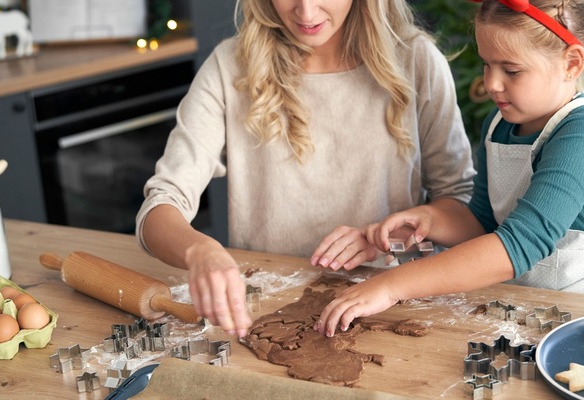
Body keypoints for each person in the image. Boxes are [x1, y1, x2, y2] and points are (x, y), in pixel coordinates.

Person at [315, 0, 584, 337]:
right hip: (554, 302)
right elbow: (481, 220)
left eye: (511, 70)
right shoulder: (502, 124)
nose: (492, 83)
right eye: (486, 64)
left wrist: (391, 285)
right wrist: (426, 218)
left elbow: (519, 245)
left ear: (571, 63)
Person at [135, 0, 476, 337]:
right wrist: (200, 251)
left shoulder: (416, 60)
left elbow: (461, 209)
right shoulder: (230, 66)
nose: (306, 12)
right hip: (261, 309)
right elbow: (161, 204)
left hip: (388, 307)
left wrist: (390, 237)